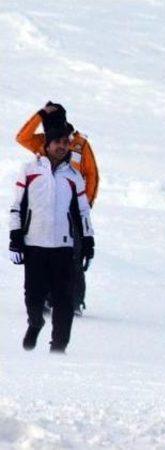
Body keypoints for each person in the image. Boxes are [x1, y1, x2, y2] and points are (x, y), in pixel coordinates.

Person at [9, 126, 95, 353]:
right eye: (57, 142)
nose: (62, 147)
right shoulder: (29, 170)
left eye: (65, 143)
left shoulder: (73, 176)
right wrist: (15, 237)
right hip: (34, 243)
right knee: (33, 295)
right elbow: (17, 206)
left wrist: (88, 241)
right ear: (47, 144)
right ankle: (35, 322)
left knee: (64, 300)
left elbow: (83, 212)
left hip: (63, 247)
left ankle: (59, 346)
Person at [16, 102, 99, 315]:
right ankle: (46, 297)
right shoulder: (44, 142)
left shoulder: (79, 143)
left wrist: (85, 205)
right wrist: (39, 114)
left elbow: (92, 175)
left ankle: (75, 302)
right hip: (47, 207)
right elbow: (22, 137)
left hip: (73, 208)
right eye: (45, 123)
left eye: (50, 121)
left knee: (74, 254)